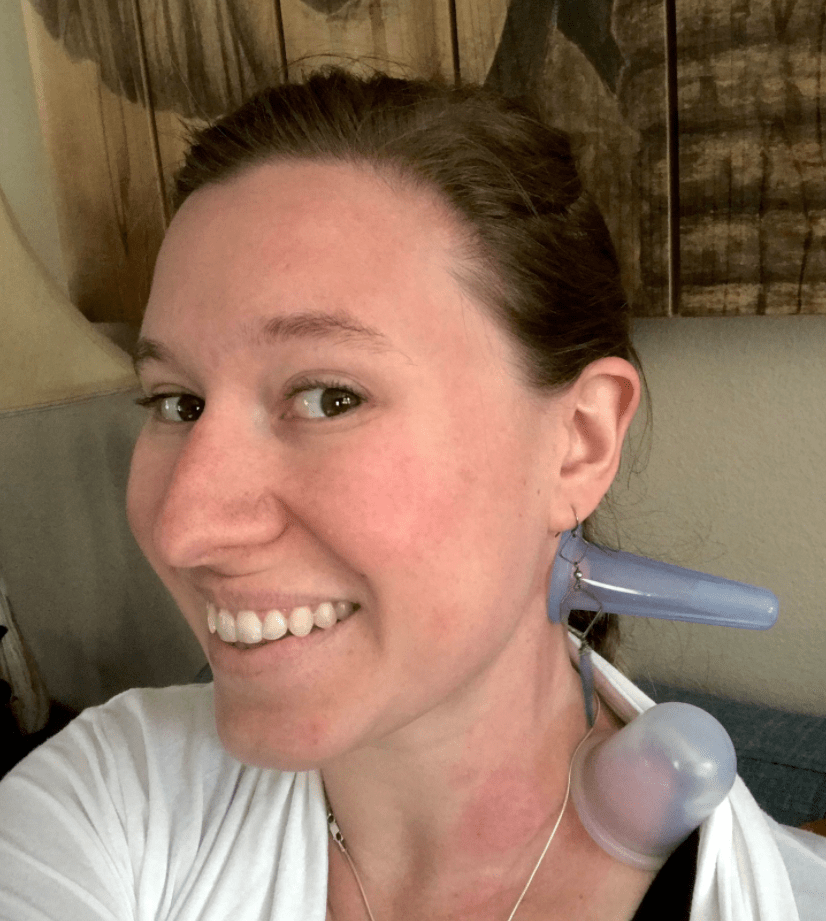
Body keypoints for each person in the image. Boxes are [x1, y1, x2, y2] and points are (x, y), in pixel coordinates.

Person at [0, 69, 824, 921]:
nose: (185, 528)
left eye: (330, 397)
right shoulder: (106, 802)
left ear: (577, 444)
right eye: (177, 403)